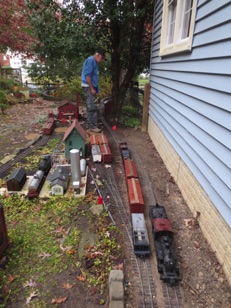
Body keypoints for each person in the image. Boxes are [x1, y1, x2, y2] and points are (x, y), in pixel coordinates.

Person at [81, 48, 106, 133]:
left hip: (91, 87)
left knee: (90, 106)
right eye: (102, 58)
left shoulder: (94, 62)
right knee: (92, 107)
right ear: (98, 55)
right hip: (88, 86)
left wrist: (96, 89)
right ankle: (93, 126)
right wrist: (91, 88)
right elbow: (88, 76)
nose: (102, 60)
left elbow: (94, 77)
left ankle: (89, 125)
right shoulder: (91, 60)